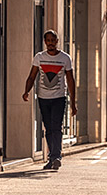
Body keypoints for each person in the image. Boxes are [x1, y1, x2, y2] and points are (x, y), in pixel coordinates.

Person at [22, 30, 76, 170]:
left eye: (53, 40)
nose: (51, 43)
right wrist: (26, 91)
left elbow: (70, 80)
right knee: (48, 128)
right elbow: (32, 76)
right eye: (48, 41)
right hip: (43, 98)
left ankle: (56, 157)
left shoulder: (65, 58)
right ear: (45, 42)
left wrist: (73, 103)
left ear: (57, 41)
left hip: (59, 98)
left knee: (56, 126)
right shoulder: (39, 57)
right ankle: (52, 157)